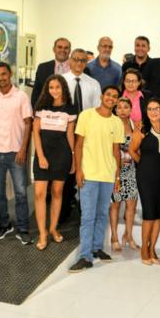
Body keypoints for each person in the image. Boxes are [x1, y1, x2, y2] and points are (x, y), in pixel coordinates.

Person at [70, 86, 125, 273]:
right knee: (88, 216)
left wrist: (117, 176)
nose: (111, 98)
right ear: (102, 96)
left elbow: (116, 151)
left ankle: (96, 248)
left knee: (102, 214)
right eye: (108, 95)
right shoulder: (86, 116)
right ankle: (85, 256)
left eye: (115, 96)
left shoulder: (117, 122)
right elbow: (78, 145)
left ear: (117, 100)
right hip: (89, 174)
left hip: (108, 175)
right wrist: (78, 170)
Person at [0, 62, 33, 244]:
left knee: (21, 193)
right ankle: (4, 224)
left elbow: (28, 123)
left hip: (16, 153)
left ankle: (23, 228)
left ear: (10, 74)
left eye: (3, 74)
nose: (1, 78)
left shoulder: (21, 96)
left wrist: (23, 149)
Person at [32, 74, 76, 250]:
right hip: (43, 155)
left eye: (57, 87)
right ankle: (42, 233)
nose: (54, 91)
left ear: (63, 88)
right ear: (47, 89)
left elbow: (70, 135)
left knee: (57, 192)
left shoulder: (70, 109)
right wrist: (41, 156)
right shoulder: (41, 107)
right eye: (51, 87)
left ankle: (52, 228)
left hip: (62, 156)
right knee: (39, 194)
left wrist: (73, 159)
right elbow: (36, 134)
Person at [60, 49, 102, 225]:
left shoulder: (93, 84)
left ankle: (84, 213)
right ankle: (63, 213)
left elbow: (98, 111)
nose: (79, 63)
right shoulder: (60, 81)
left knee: (85, 173)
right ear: (70, 60)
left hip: (87, 135)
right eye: (76, 59)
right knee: (66, 174)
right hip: (64, 134)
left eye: (83, 60)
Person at [131, 98, 160, 265]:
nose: (153, 112)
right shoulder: (142, 129)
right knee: (149, 214)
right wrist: (143, 164)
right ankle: (144, 250)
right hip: (146, 177)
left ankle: (152, 248)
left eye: (157, 108)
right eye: (150, 109)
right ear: (146, 112)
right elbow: (132, 150)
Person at [108, 98, 140, 252]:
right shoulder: (111, 125)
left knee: (131, 205)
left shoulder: (135, 126)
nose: (122, 110)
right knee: (115, 204)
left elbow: (138, 148)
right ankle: (114, 237)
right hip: (115, 171)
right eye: (119, 107)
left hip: (131, 170)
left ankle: (128, 235)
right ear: (115, 110)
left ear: (130, 109)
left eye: (126, 107)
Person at [31, 37, 71, 107]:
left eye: (66, 48)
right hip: (47, 109)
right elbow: (36, 92)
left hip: (70, 109)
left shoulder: (78, 68)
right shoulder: (42, 68)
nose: (63, 50)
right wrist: (36, 110)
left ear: (70, 50)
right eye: (59, 47)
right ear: (54, 49)